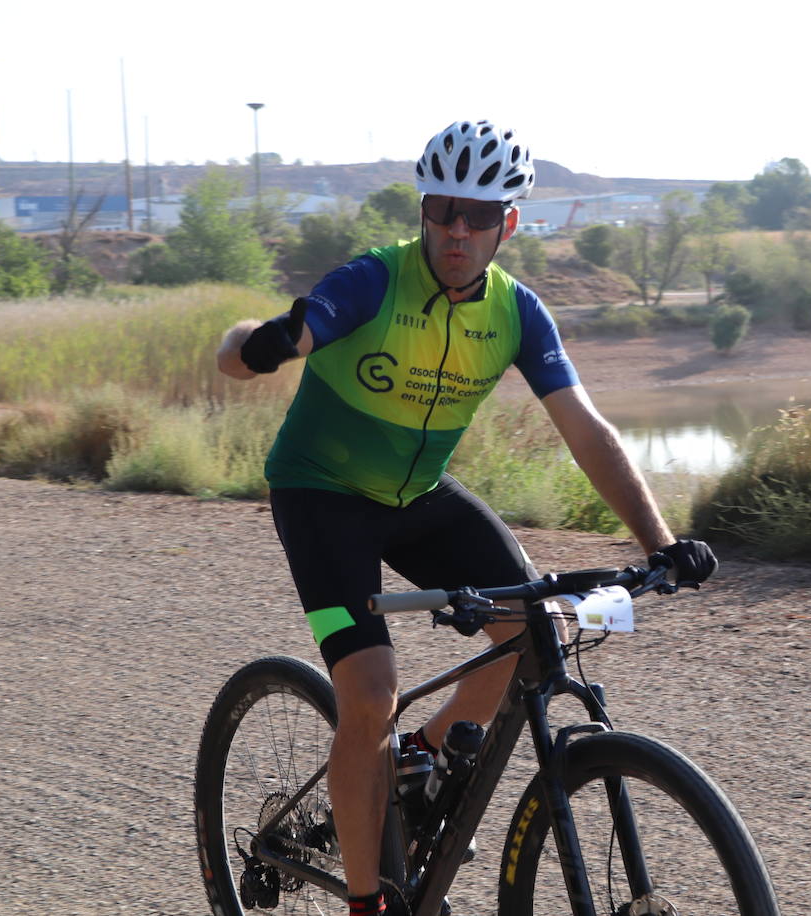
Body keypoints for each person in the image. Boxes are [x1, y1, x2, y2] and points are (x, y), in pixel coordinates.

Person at [216, 120, 716, 916]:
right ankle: (365, 901)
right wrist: (261, 342)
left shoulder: (517, 313)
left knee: (533, 626)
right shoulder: (375, 282)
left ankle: (418, 759)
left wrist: (661, 544)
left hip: (417, 497)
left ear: (506, 224)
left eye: (478, 216)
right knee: (370, 690)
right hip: (322, 497)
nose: (457, 229)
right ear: (423, 210)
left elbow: (586, 428)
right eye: (444, 209)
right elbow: (270, 336)